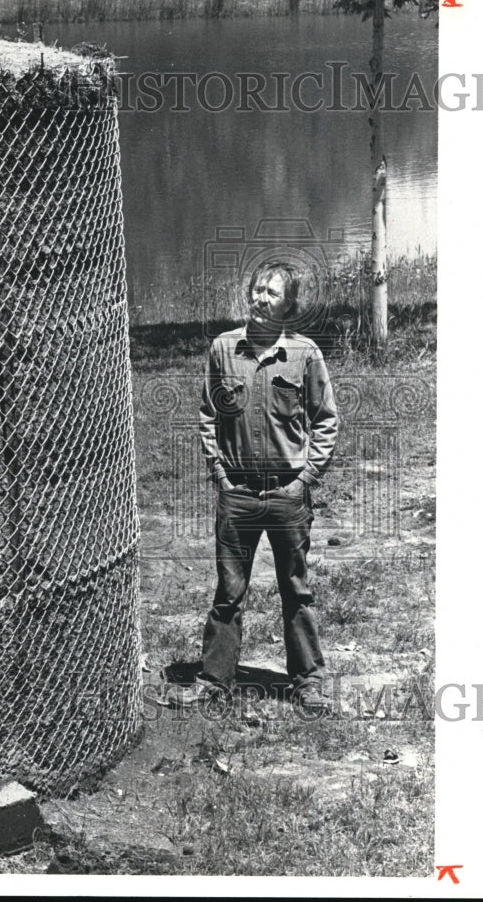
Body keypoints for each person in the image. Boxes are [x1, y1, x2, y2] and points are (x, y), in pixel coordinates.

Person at [188, 260, 338, 716]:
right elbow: (208, 416)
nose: (260, 299)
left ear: (287, 306)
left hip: (288, 493)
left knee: (296, 589)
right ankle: (215, 680)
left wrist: (306, 479)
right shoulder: (223, 349)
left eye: (272, 293)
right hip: (237, 493)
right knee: (229, 590)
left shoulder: (304, 354)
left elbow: (326, 419)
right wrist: (220, 473)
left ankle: (309, 682)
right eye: (257, 290)